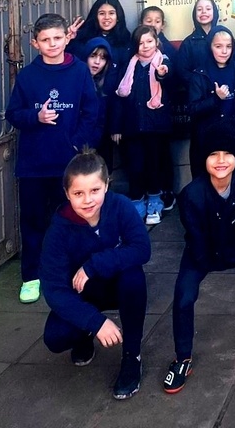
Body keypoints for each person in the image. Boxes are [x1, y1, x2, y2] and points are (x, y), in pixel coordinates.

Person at [163, 123, 235, 394]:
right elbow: (194, 234)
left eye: (227, 153)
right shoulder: (191, 194)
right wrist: (209, 258)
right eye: (213, 154)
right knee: (183, 296)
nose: (221, 160)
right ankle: (183, 357)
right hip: (203, 251)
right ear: (204, 159)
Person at [39, 149, 151, 400]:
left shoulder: (120, 206)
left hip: (116, 286)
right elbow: (54, 290)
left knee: (133, 276)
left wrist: (94, 264)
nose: (88, 200)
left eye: (95, 190)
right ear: (67, 193)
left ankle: (132, 355)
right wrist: (95, 321)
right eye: (78, 193)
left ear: (106, 185)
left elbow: (142, 248)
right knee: (55, 337)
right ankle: (84, 334)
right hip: (82, 293)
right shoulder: (58, 231)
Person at [6, 13, 99, 304]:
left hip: (68, 164)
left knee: (72, 218)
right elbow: (13, 114)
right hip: (34, 164)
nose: (52, 44)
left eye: (58, 38)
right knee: (33, 221)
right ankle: (31, 277)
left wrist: (76, 144)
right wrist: (36, 116)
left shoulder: (79, 71)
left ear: (67, 38)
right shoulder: (27, 76)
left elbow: (91, 111)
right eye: (45, 40)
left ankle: (72, 272)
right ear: (35, 43)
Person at [109, 25, 172, 225]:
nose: (145, 46)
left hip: (155, 127)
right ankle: (137, 200)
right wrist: (116, 127)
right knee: (135, 166)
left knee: (154, 165)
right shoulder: (130, 66)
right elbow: (119, 97)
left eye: (149, 41)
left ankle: (155, 200)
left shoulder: (163, 61)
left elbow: (169, 78)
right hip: (133, 127)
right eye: (140, 42)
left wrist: (161, 74)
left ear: (157, 42)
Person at [140, 5, 181, 211]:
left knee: (163, 154)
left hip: (162, 113)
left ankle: (166, 191)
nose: (153, 24)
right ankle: (148, 194)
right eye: (149, 21)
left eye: (157, 21)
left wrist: (163, 74)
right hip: (141, 116)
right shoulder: (136, 49)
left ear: (163, 25)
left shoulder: (168, 50)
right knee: (144, 158)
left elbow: (173, 78)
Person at [188, 25, 235, 176]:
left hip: (233, 139)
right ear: (210, 47)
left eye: (228, 46)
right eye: (218, 46)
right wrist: (216, 99)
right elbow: (192, 110)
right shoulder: (199, 74)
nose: (224, 51)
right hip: (205, 142)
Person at [83, 37, 121, 172]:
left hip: (101, 137)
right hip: (79, 140)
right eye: (93, 56)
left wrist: (114, 128)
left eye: (103, 58)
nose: (97, 62)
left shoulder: (107, 82)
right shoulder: (76, 81)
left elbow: (111, 107)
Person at [67, 0, 132, 64]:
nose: (106, 17)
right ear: (95, 16)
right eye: (102, 13)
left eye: (111, 13)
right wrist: (69, 40)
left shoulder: (125, 40)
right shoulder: (83, 37)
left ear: (118, 17)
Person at [177, 0, 219, 84]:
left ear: (214, 12)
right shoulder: (188, 43)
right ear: (194, 14)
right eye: (199, 9)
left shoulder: (222, 38)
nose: (204, 12)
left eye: (208, 9)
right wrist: (198, 85)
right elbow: (182, 72)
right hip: (196, 90)